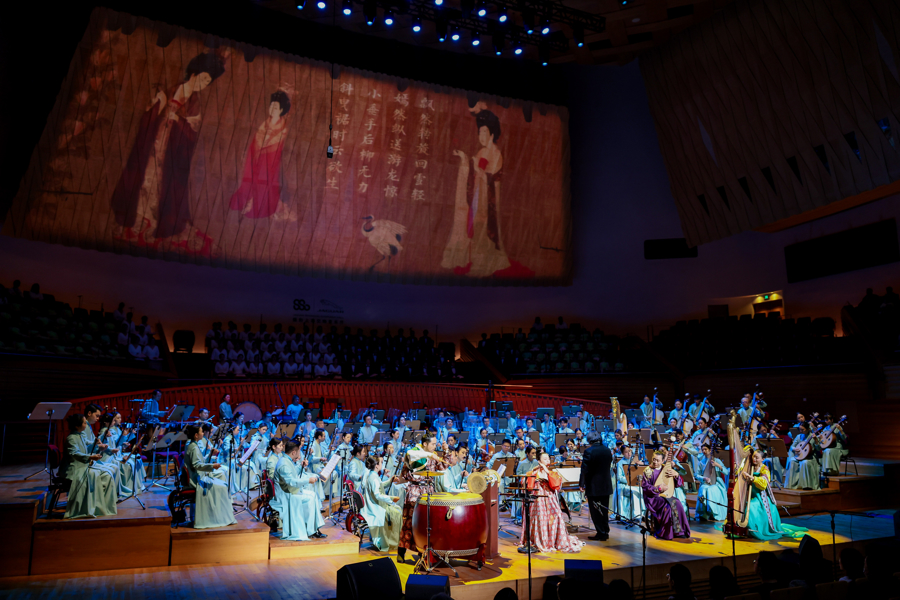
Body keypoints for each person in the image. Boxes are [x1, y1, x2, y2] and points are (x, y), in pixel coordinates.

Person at [520, 448, 584, 553]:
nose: (548, 461)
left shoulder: (552, 472)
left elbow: (556, 485)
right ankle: (541, 541)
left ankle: (553, 541)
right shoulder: (534, 472)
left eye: (548, 459)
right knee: (539, 518)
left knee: (556, 516)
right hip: (538, 499)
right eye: (545, 459)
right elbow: (525, 483)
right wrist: (533, 475)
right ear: (539, 461)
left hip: (549, 498)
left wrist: (546, 471)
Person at [397, 433, 446, 564]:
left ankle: (423, 551)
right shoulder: (414, 453)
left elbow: (443, 467)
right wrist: (414, 475)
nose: (435, 446)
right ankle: (401, 551)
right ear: (425, 444)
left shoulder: (433, 455)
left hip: (428, 491)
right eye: (433, 444)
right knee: (409, 522)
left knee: (426, 524)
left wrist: (446, 451)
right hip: (415, 490)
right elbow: (404, 474)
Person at [739, 448, 807, 540]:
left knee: (750, 507)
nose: (754, 459)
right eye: (753, 457)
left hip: (760, 496)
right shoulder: (750, 466)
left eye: (757, 457)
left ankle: (755, 530)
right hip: (751, 494)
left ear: (762, 459)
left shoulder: (764, 469)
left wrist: (752, 478)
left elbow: (764, 483)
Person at [59, 414, 118, 519]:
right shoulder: (71, 438)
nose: (86, 425)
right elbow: (74, 453)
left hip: (82, 465)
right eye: (84, 423)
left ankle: (101, 506)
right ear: (77, 425)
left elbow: (87, 446)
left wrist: (98, 445)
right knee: (96, 473)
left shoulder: (80, 435)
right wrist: (90, 457)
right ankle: (91, 506)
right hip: (75, 468)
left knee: (107, 475)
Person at [183, 424, 236, 529]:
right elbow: (197, 465)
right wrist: (212, 466)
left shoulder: (194, 445)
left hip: (199, 476)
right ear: (196, 435)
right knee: (222, 486)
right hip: (196, 480)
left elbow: (201, 460)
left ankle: (219, 515)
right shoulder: (193, 447)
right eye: (201, 431)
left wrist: (210, 453)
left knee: (223, 484)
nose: (203, 433)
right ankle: (216, 517)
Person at [272, 440, 327, 541]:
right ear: (294, 452)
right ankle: (312, 530)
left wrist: (300, 466)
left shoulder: (286, 460)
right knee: (310, 499)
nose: (299, 454)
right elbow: (292, 482)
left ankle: (313, 528)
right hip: (285, 495)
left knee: (313, 495)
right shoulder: (284, 464)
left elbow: (292, 474)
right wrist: (308, 480)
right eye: (298, 451)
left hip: (289, 490)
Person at [641, 450, 691, 540]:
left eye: (658, 460)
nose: (655, 462)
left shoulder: (666, 469)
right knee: (667, 506)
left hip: (665, 496)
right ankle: (665, 533)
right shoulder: (648, 471)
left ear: (663, 461)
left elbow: (678, 484)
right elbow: (645, 488)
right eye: (654, 459)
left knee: (677, 502)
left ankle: (679, 531)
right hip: (653, 498)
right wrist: (658, 488)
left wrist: (676, 475)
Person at [359, 455, 402, 552]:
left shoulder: (372, 475)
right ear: (376, 466)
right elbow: (378, 495)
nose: (382, 464)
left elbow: (380, 485)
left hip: (374, 504)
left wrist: (390, 481)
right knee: (397, 512)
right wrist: (391, 498)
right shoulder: (373, 477)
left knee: (397, 510)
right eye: (381, 463)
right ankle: (389, 542)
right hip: (374, 507)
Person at [579, 431, 612, 541]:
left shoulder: (588, 451)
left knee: (595, 511)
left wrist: (582, 484)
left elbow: (584, 469)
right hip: (606, 485)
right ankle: (605, 531)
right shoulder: (607, 450)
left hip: (594, 486)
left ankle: (601, 533)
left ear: (590, 441)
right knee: (604, 510)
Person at [610, 444, 644, 520]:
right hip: (624, 484)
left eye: (629, 451)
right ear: (622, 453)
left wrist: (641, 465)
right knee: (634, 491)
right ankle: (633, 515)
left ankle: (641, 514)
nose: (629, 453)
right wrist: (629, 480)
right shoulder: (620, 463)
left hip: (633, 483)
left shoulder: (634, 461)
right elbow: (619, 477)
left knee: (640, 490)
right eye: (626, 452)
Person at [694, 444, 727, 521]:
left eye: (705, 449)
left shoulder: (717, 460)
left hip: (717, 483)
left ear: (710, 450)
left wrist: (718, 465)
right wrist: (704, 478)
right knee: (703, 489)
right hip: (706, 483)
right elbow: (696, 475)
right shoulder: (701, 462)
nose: (704, 451)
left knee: (711, 490)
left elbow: (726, 472)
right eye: (702, 450)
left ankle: (713, 513)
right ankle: (703, 514)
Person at [785, 423, 821, 490]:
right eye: (800, 429)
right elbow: (792, 446)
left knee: (805, 462)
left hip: (810, 457)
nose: (801, 431)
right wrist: (794, 449)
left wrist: (816, 440)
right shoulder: (799, 436)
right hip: (799, 456)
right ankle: (791, 485)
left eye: (802, 429)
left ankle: (806, 485)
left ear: (808, 429)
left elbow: (818, 449)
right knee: (792, 461)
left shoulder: (813, 436)